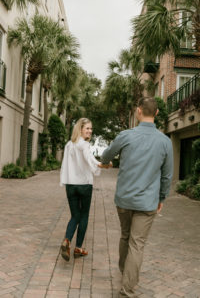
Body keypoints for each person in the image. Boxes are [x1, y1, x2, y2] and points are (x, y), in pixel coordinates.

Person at [101, 97, 173, 297]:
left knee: (126, 236)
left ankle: (126, 272)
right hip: (147, 202)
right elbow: (167, 176)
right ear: (157, 113)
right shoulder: (165, 142)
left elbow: (106, 156)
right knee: (137, 243)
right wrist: (162, 198)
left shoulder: (125, 136)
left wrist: (108, 160)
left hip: (124, 199)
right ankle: (128, 288)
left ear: (138, 111)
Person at [60, 118, 110, 261]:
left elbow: (64, 165)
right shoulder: (84, 145)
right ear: (80, 129)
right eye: (87, 128)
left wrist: (63, 181)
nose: (90, 131)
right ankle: (78, 248)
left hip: (70, 185)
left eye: (91, 128)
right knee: (84, 216)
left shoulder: (69, 145)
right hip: (84, 185)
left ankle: (67, 241)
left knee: (75, 215)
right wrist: (103, 165)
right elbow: (91, 160)